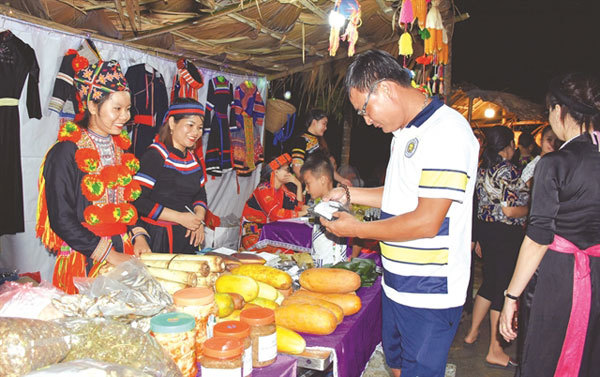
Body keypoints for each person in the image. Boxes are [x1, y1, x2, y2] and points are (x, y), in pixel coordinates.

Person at [320, 49, 479, 377]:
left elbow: (426, 221)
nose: (366, 120)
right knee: (397, 366)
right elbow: (398, 196)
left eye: (364, 110)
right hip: (396, 282)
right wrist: (349, 194)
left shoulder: (447, 131)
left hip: (430, 291)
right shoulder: (403, 134)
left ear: (386, 90)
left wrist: (357, 229)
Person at [499, 73, 600, 377]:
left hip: (556, 277)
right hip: (596, 275)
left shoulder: (554, 162)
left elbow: (538, 238)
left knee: (543, 354)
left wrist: (511, 297)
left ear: (558, 110)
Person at [36, 60, 150, 294]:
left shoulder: (122, 150)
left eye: (128, 109)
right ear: (92, 105)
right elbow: (61, 219)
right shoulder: (65, 151)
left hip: (123, 251)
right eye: (117, 109)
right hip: (84, 256)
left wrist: (138, 235)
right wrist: (110, 255)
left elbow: (127, 203)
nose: (125, 116)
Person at [463, 126, 529, 368]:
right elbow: (510, 210)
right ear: (508, 145)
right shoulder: (509, 171)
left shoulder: (482, 169)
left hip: (486, 232)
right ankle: (495, 349)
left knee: (490, 283)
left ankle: (472, 333)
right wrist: (531, 210)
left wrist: (478, 237)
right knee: (502, 288)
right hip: (506, 234)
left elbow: (479, 206)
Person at [133, 98, 208, 253]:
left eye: (200, 128)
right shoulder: (155, 155)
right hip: (158, 237)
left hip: (187, 237)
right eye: (190, 125)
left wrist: (198, 219)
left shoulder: (193, 160)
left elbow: (200, 193)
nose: (196, 132)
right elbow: (137, 200)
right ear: (172, 123)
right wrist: (179, 217)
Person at [241, 153, 308, 251]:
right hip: (255, 233)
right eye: (286, 170)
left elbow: (296, 208)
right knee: (286, 252)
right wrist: (302, 213)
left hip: (271, 231)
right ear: (275, 172)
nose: (289, 174)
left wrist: (298, 185)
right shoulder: (263, 189)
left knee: (294, 247)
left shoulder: (283, 190)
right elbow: (275, 214)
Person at [300, 152, 348, 266]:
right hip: (322, 264)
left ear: (322, 180)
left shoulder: (331, 206)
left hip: (330, 266)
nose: (306, 189)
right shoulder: (324, 204)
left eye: (308, 183)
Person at [290, 109, 352, 186]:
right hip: (302, 189)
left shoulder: (321, 142)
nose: (326, 128)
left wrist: (342, 180)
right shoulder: (301, 140)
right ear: (314, 122)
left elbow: (327, 168)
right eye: (324, 124)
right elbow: (297, 168)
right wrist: (309, 185)